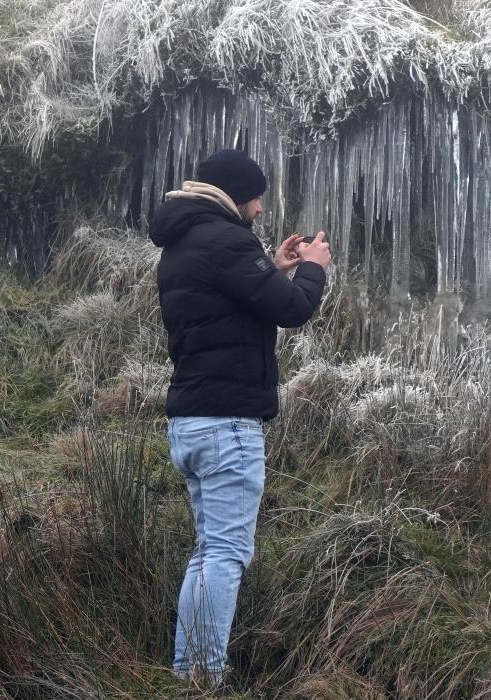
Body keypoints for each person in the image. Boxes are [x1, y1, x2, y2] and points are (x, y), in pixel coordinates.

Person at [148, 149, 332, 690]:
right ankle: (203, 677)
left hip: (190, 420)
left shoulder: (183, 243)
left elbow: (229, 303)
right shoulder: (226, 239)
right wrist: (315, 268)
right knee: (226, 554)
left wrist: (272, 270)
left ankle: (188, 674)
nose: (257, 206)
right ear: (232, 191)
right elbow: (293, 310)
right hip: (228, 425)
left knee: (208, 552)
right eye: (254, 195)